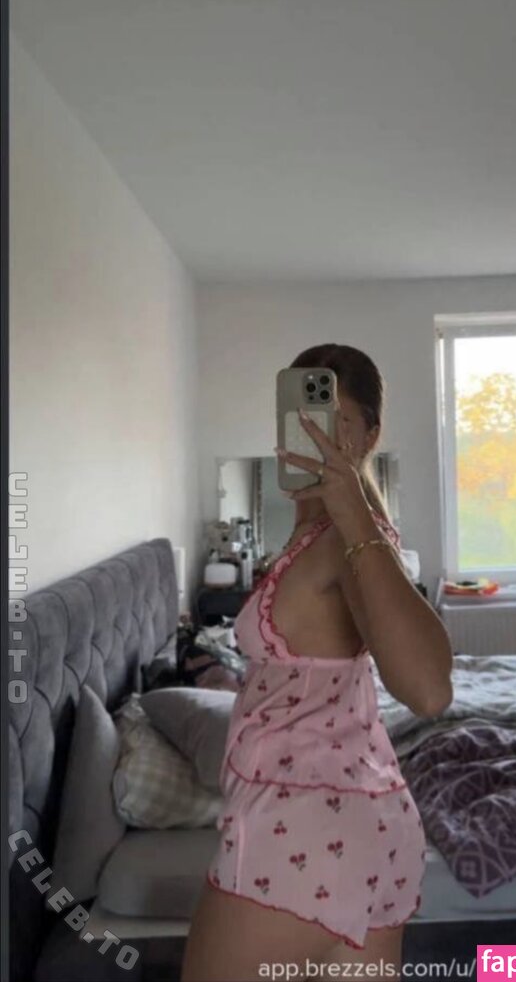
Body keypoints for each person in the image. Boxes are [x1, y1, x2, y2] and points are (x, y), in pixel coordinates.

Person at [181, 344, 453, 982]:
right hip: (359, 818)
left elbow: (429, 690)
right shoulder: (317, 536)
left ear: (369, 436)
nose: (311, 435)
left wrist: (352, 506)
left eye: (333, 421)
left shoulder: (347, 541)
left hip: (298, 828)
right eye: (297, 420)